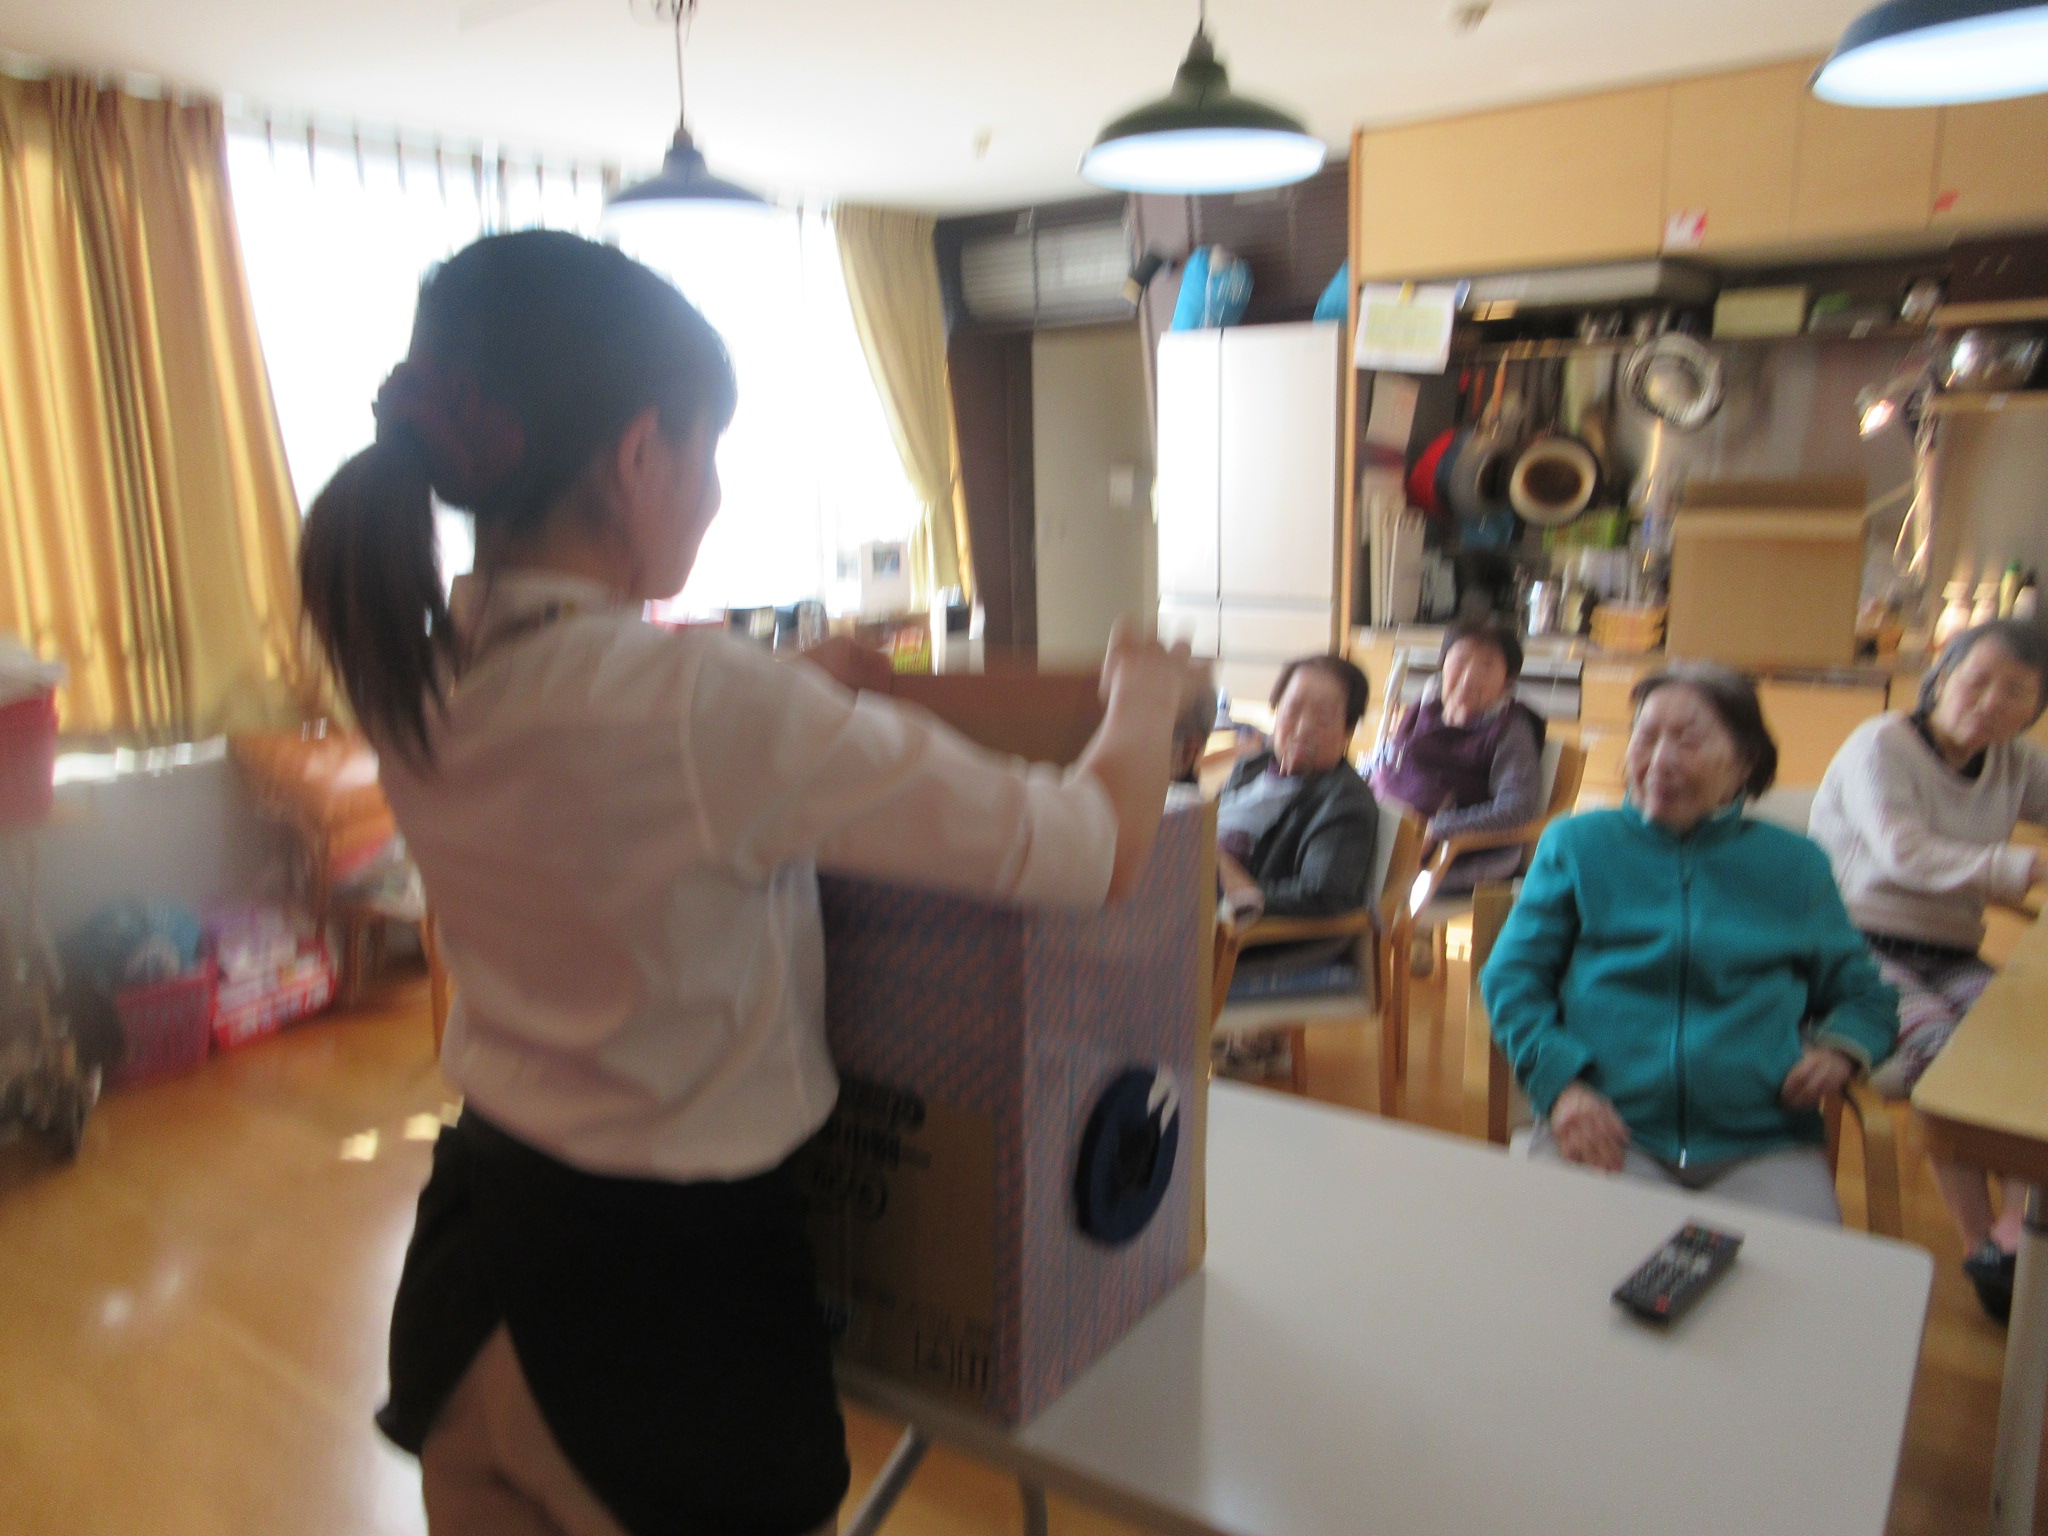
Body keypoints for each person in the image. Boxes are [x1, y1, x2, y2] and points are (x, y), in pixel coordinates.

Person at [297, 230, 1194, 1536]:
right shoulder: (701, 707)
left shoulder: (421, 670)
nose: (714, 495)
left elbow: (621, 768)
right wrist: (1147, 696)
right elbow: (1093, 848)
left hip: (472, 1290)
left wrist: (789, 693)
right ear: (637, 456)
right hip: (660, 1327)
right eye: (707, 453)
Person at [1481, 663, 1897, 1224]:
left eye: (1688, 740)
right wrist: (1562, 1086)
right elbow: (1511, 978)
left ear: (1744, 763)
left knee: (1792, 1273)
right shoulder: (1578, 846)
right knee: (1564, 1259)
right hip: (1608, 1123)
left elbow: (1866, 995)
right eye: (1646, 737)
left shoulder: (1795, 866)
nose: (1660, 760)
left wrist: (1841, 1050)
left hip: (1761, 1138)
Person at [1810, 619, 2048, 1320]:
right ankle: (1982, 1243)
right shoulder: (1881, 745)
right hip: (1854, 944)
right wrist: (2025, 866)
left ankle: (2020, 1230)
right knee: (1946, 1051)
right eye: (1979, 681)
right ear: (1942, 676)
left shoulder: (2016, 762)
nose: (1991, 702)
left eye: (2017, 692)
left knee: (2027, 1046)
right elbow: (1902, 851)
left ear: (2035, 710)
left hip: (1949, 950)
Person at [1370, 618, 1546, 890]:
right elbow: (1387, 763)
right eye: (1461, 660)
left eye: (1487, 666)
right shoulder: (1425, 706)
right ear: (1443, 662)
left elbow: (1515, 809)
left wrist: (1438, 828)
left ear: (1507, 680)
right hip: (1390, 834)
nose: (1469, 677)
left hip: (1456, 853)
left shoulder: (1511, 729)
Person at [1214, 655, 1378, 924]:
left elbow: (1321, 895)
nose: (1302, 730)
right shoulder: (1252, 766)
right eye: (1292, 710)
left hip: (1244, 932)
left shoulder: (1346, 801)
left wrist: (1234, 888)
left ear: (1347, 732)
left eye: (1323, 719)